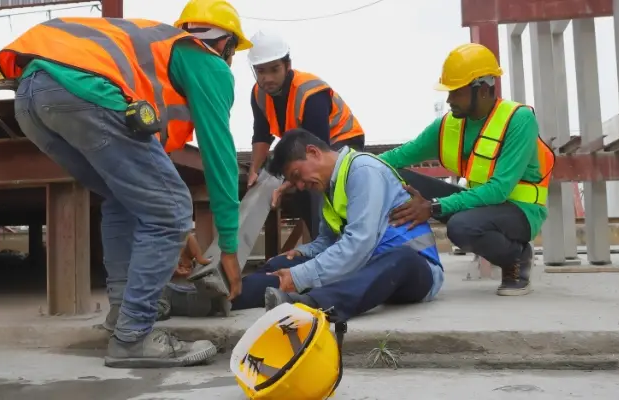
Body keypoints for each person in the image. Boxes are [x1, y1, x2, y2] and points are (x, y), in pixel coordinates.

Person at [0, 0, 252, 368]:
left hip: (32, 97)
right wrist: (229, 247)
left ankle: (122, 318)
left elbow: (146, 186)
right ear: (225, 45)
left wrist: (183, 236)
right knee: (172, 209)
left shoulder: (155, 60)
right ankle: (134, 337)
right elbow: (219, 156)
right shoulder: (206, 61)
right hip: (82, 90)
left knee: (122, 199)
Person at [379, 43, 555, 296]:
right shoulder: (449, 125)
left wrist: (433, 206)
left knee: (461, 227)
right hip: (481, 204)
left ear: (482, 90)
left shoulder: (519, 120)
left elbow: (499, 190)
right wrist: (349, 165)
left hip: (520, 211)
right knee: (397, 176)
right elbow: (397, 157)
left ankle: (516, 257)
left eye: (456, 92)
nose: (449, 100)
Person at [229, 129, 444, 322]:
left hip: (416, 269)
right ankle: (224, 296)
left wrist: (300, 275)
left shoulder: (364, 170)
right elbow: (327, 242)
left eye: (297, 176)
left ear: (313, 152)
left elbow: (360, 243)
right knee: (284, 264)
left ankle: (310, 304)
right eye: (294, 183)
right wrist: (301, 253)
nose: (301, 186)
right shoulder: (329, 188)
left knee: (401, 258)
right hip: (364, 265)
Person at [245, 30, 365, 239]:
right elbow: (262, 135)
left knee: (316, 185)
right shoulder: (258, 94)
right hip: (305, 146)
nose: (268, 78)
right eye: (261, 71)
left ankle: (340, 243)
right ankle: (321, 243)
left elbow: (317, 152)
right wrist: (254, 170)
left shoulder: (310, 92)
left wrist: (285, 185)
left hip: (341, 140)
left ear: (287, 65)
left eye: (274, 70)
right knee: (301, 193)